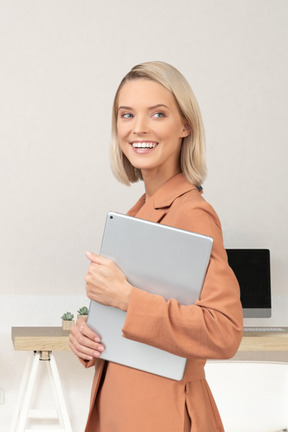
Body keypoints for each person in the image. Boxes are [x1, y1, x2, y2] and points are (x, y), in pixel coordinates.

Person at [69, 61, 243, 432]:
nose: (139, 128)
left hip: (162, 414)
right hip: (123, 407)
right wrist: (89, 332)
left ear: (185, 126)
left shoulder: (192, 213)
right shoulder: (139, 212)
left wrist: (126, 298)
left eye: (158, 114)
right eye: (126, 114)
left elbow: (225, 331)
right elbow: (141, 322)